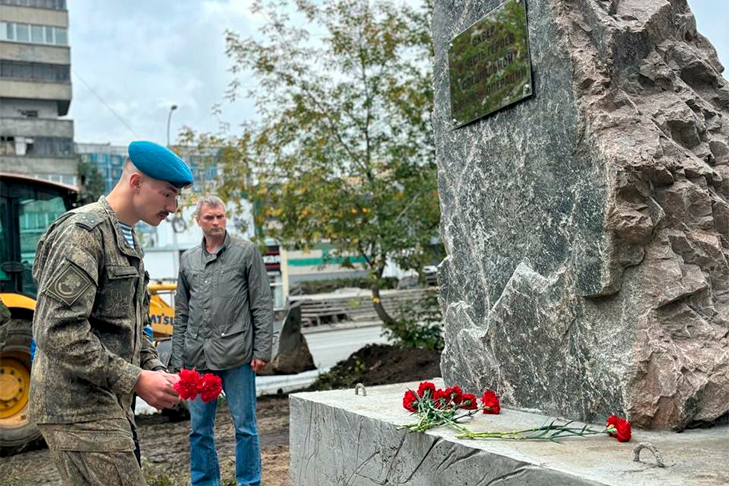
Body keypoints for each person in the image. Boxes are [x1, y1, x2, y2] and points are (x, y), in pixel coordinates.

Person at [30, 140, 193, 486]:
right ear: (136, 183)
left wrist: (156, 372)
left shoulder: (127, 237)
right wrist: (135, 380)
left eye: (176, 197)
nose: (174, 207)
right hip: (76, 407)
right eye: (167, 194)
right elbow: (57, 331)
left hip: (107, 403)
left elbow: (133, 325)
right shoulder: (82, 234)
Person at [170, 195, 273, 486]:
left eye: (220, 216)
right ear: (198, 221)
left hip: (238, 355)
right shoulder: (188, 259)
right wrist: (178, 359)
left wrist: (262, 349)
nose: (216, 222)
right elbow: (182, 312)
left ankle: (249, 482)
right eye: (209, 218)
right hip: (198, 358)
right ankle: (204, 482)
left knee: (245, 427)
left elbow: (261, 303)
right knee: (199, 430)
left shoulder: (246, 252)